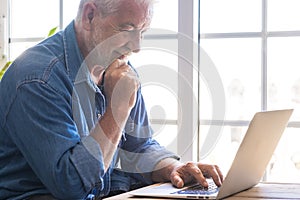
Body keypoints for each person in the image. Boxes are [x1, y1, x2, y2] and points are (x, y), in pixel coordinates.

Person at [0, 0, 223, 199]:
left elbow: (138, 146)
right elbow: (73, 186)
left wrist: (173, 168)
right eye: (127, 29)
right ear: (89, 16)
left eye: (143, 32)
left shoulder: (117, 68)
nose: (137, 47)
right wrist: (117, 109)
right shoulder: (37, 78)